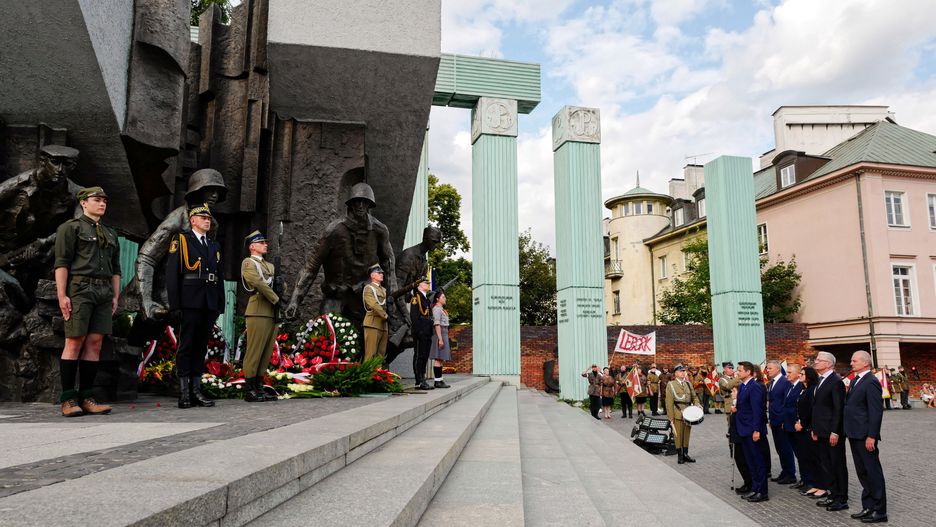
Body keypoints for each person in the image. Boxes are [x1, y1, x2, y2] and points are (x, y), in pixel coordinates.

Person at [285, 183, 397, 326]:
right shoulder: (334, 230)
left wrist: (392, 298)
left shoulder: (379, 230)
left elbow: (389, 265)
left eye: (365, 202)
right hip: (335, 296)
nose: (360, 205)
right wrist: (295, 300)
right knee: (327, 333)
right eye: (357, 201)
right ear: (350, 203)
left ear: (370, 204)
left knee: (367, 335)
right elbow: (311, 267)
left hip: (362, 298)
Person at [53, 186, 120, 417]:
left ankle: (87, 397)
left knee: (95, 343)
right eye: (97, 200)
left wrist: (115, 296)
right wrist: (62, 295)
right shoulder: (70, 228)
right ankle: (68, 399)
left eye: (104, 201)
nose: (102, 204)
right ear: (83, 203)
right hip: (80, 288)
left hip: (103, 291)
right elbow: (62, 263)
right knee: (74, 341)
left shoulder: (110, 233)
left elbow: (116, 269)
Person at [129, 168, 227, 320]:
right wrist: (146, 301)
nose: (214, 195)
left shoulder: (212, 225)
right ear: (197, 191)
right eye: (210, 190)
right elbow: (147, 258)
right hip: (164, 297)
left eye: (217, 191)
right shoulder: (176, 220)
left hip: (195, 298)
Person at [165, 204, 225, 409]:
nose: (207, 221)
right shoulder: (181, 240)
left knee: (201, 346)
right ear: (193, 220)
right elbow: (172, 274)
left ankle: (196, 390)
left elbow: (218, 275)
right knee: (187, 345)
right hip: (189, 301)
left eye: (208, 218)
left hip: (209, 301)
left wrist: (220, 302)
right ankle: (184, 392)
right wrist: (175, 305)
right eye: (203, 218)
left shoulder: (214, 245)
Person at [845, 351, 887, 523]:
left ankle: (880, 511)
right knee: (862, 472)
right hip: (854, 433)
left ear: (865, 363)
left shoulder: (871, 381)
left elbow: (875, 411)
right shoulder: (855, 380)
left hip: (865, 435)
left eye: (854, 360)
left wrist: (872, 435)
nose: (851, 363)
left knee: (872, 472)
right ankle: (868, 506)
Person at [240, 230, 280, 403]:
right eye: (261, 242)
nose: (265, 244)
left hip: (271, 312)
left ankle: (259, 385)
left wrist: (280, 287)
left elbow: (277, 284)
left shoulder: (270, 266)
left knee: (266, 351)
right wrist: (276, 298)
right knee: (255, 351)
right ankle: (250, 388)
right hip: (258, 310)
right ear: (252, 246)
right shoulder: (248, 263)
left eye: (265, 242)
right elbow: (257, 283)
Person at [811, 351, 848, 511]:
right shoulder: (820, 380)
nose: (815, 362)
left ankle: (841, 498)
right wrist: (815, 428)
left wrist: (835, 431)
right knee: (826, 464)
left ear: (828, 364)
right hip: (821, 430)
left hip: (832, 432)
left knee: (837, 464)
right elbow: (818, 407)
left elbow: (838, 409)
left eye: (819, 360)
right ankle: (832, 494)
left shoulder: (836, 381)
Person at [735, 361, 769, 502]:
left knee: (757, 461)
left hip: (752, 429)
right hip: (743, 429)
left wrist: (756, 430)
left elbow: (757, 410)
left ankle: (762, 491)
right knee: (750, 461)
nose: (737, 372)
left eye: (740, 370)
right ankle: (755, 488)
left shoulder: (755, 387)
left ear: (748, 372)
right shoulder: (743, 386)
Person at [765, 360, 797, 485]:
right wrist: (771, 419)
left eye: (770, 368)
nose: (767, 370)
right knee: (779, 448)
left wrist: (785, 420)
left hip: (782, 420)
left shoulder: (784, 382)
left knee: (785, 448)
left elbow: (786, 402)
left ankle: (790, 474)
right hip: (774, 420)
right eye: (767, 368)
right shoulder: (772, 382)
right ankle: (784, 471)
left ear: (778, 369)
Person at [795, 367, 824, 497]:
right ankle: (815, 484)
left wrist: (802, 423)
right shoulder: (804, 389)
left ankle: (822, 485)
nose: (799, 375)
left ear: (809, 376)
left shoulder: (812, 389)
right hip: (802, 427)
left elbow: (811, 410)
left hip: (809, 427)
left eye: (802, 374)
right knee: (808, 458)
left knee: (815, 458)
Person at [665, 364, 699, 464]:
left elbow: (694, 397)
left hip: (689, 413)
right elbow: (669, 402)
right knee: (678, 435)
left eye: (684, 371)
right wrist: (671, 416)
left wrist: (697, 404)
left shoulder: (688, 384)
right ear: (676, 373)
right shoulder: (671, 384)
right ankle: (680, 455)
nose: (683, 373)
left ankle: (685, 454)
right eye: (681, 371)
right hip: (678, 413)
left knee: (686, 435)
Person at [780, 364, 805, 488]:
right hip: (788, 425)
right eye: (787, 372)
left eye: (790, 372)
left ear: (798, 374)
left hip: (797, 426)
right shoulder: (789, 386)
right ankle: (803, 479)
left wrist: (798, 421)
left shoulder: (801, 387)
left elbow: (799, 407)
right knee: (798, 453)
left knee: (802, 454)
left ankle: (807, 480)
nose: (787, 375)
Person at [728, 385, 753, 496]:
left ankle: (749, 483)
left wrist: (736, 412)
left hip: (741, 435)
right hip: (735, 435)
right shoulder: (735, 403)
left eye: (734, 391)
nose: (731, 393)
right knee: (739, 459)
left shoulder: (741, 404)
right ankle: (747, 482)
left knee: (743, 460)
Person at [410, 278, 434, 390]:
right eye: (426, 283)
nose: (428, 284)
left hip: (427, 330)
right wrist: (419, 331)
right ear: (419, 285)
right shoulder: (416, 297)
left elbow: (429, 315)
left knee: (425, 355)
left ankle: (422, 378)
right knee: (419, 355)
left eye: (429, 283)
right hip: (420, 331)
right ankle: (419, 380)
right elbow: (414, 317)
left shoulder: (426, 298)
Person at [362, 263, 389, 362]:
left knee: (380, 355)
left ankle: (378, 372)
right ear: (372, 275)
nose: (381, 274)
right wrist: (385, 315)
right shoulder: (368, 288)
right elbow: (373, 305)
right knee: (370, 354)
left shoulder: (384, 290)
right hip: (373, 323)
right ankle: (368, 372)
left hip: (383, 325)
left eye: (382, 273)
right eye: (379, 273)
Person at [428, 289, 451, 389]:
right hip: (439, 334)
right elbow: (437, 324)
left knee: (441, 358)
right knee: (438, 357)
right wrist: (440, 339)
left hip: (444, 333)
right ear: (437, 299)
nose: (445, 299)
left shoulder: (441, 309)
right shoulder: (436, 309)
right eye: (443, 297)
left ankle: (440, 380)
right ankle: (437, 381)